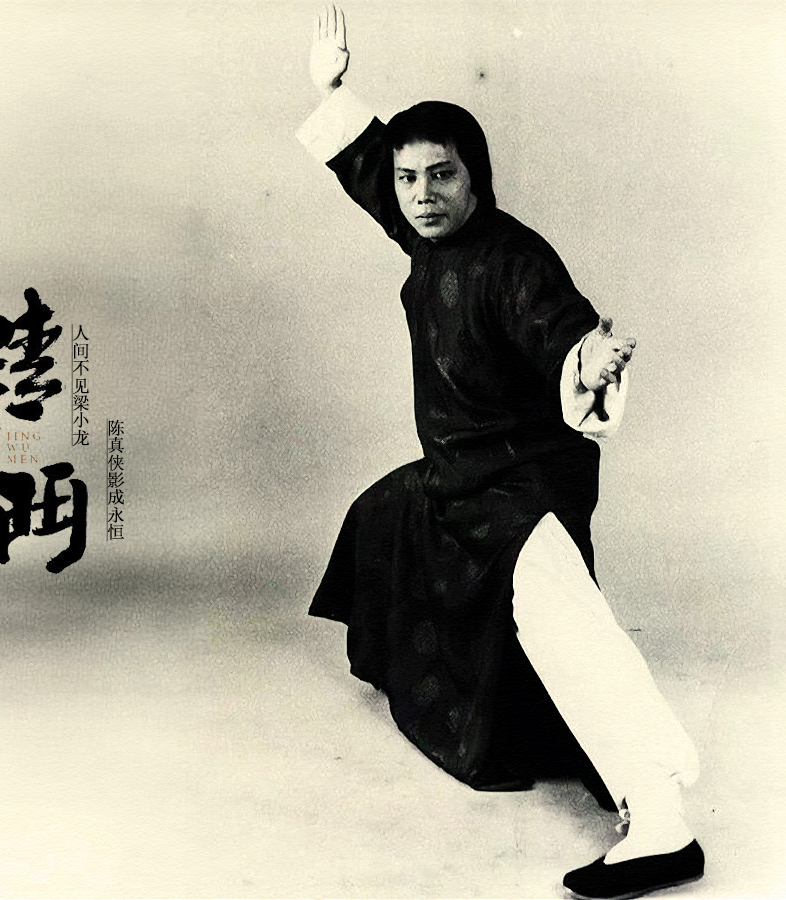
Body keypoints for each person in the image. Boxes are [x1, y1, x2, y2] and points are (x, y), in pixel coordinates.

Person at [294, 7, 704, 898]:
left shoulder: (517, 261)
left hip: (525, 484)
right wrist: (332, 90)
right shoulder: (422, 228)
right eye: (409, 179)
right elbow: (367, 167)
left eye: (442, 175)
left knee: (562, 618)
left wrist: (588, 359)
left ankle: (661, 818)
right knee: (381, 514)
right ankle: (454, 696)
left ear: (475, 177)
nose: (421, 194)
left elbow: (561, 331)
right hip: (453, 477)